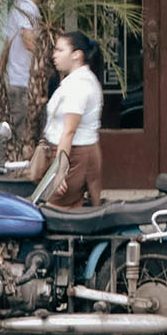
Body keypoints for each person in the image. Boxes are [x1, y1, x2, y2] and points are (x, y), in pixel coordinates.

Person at [43, 30, 104, 207]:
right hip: (74, 154)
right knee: (71, 211)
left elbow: (69, 131)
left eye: (60, 50)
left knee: (53, 211)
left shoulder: (79, 85)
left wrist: (60, 171)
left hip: (74, 156)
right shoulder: (77, 80)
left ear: (77, 55)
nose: (54, 55)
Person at [0, 0, 44, 142]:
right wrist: (48, 56)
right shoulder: (26, 7)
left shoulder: (17, 5)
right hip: (25, 82)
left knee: (18, 132)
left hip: (16, 80)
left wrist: (0, 76)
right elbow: (28, 40)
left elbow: (7, 46)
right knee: (26, 135)